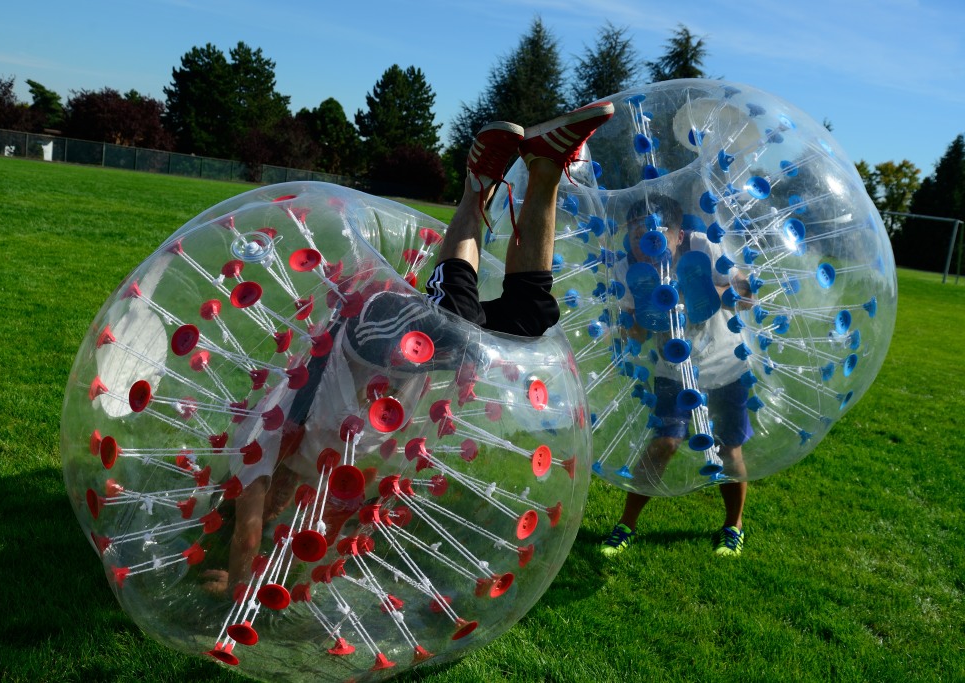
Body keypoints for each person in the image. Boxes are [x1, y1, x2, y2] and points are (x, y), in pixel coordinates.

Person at [202, 101, 616, 596]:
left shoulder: (256, 448)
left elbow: (251, 529)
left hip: (367, 336)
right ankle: (546, 167)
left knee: (454, 319)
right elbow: (321, 533)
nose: (273, 512)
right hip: (413, 359)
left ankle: (476, 185)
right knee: (528, 322)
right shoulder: (328, 478)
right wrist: (291, 578)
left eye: (265, 507)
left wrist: (237, 584)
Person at [601, 193, 753, 557]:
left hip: (725, 364)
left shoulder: (702, 247)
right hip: (672, 369)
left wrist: (705, 291)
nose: (645, 245)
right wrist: (639, 319)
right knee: (663, 444)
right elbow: (635, 332)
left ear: (679, 235)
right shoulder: (626, 270)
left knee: (727, 449)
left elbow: (748, 294)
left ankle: (734, 525)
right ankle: (626, 524)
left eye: (656, 236)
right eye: (637, 236)